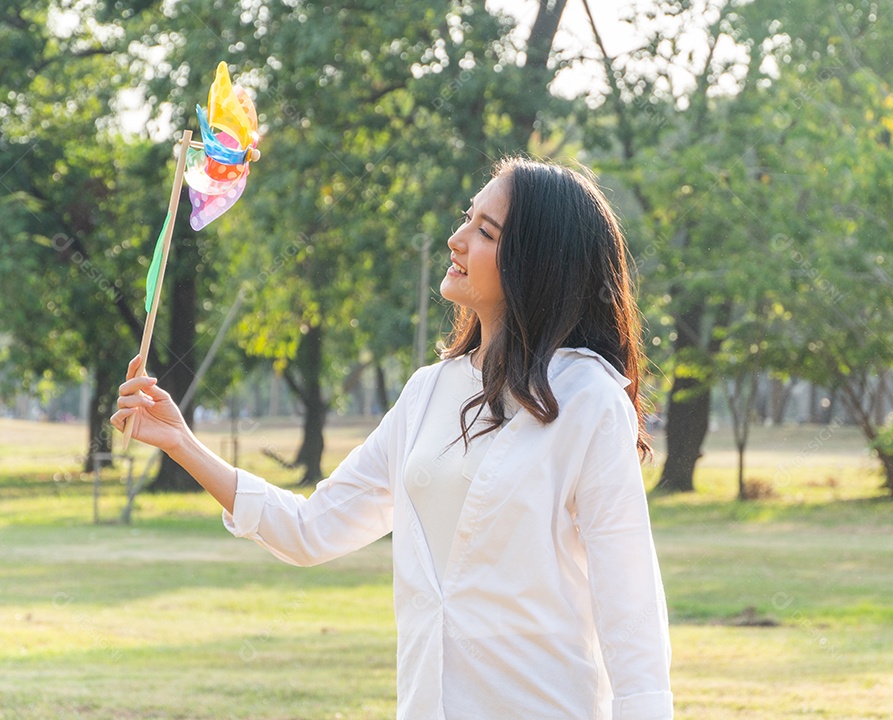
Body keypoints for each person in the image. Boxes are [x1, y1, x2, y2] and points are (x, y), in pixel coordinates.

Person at [112, 157, 673, 720]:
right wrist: (180, 442)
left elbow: (630, 604)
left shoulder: (589, 398)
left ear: (538, 260)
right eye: (466, 218)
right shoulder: (429, 392)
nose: (456, 239)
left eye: (485, 231)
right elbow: (313, 530)